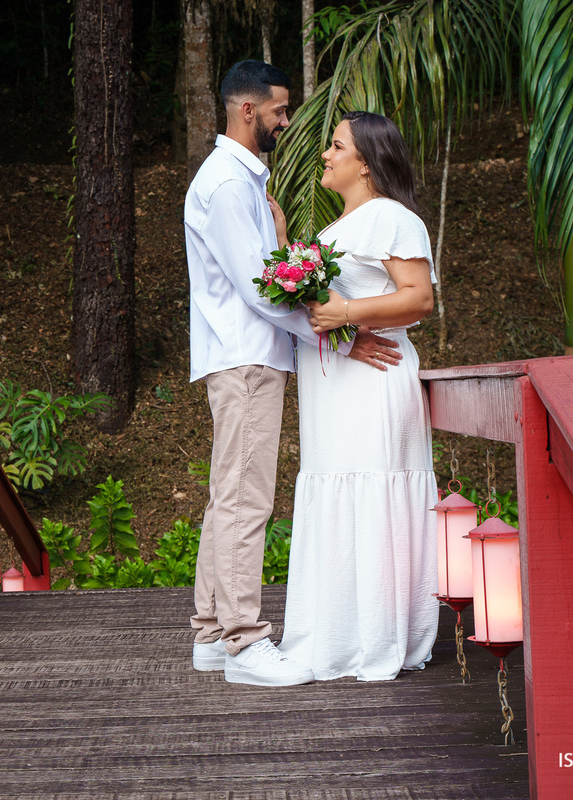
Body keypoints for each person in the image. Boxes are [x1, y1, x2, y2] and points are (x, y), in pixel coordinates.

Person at [185, 62, 404, 687]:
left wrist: (279, 239)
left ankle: (210, 632)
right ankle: (244, 643)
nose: (287, 121)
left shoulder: (242, 181)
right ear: (247, 110)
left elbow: (260, 269)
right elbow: (260, 290)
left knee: (228, 493)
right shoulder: (228, 183)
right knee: (245, 499)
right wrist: (333, 331)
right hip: (247, 355)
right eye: (280, 111)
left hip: (245, 354)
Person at [276, 111, 439, 682]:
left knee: (374, 487)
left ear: (366, 162)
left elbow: (419, 298)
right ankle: (333, 633)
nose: (325, 153)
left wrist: (347, 313)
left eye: (336, 145)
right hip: (333, 386)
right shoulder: (329, 232)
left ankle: (380, 635)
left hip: (375, 384)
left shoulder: (392, 218)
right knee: (334, 483)